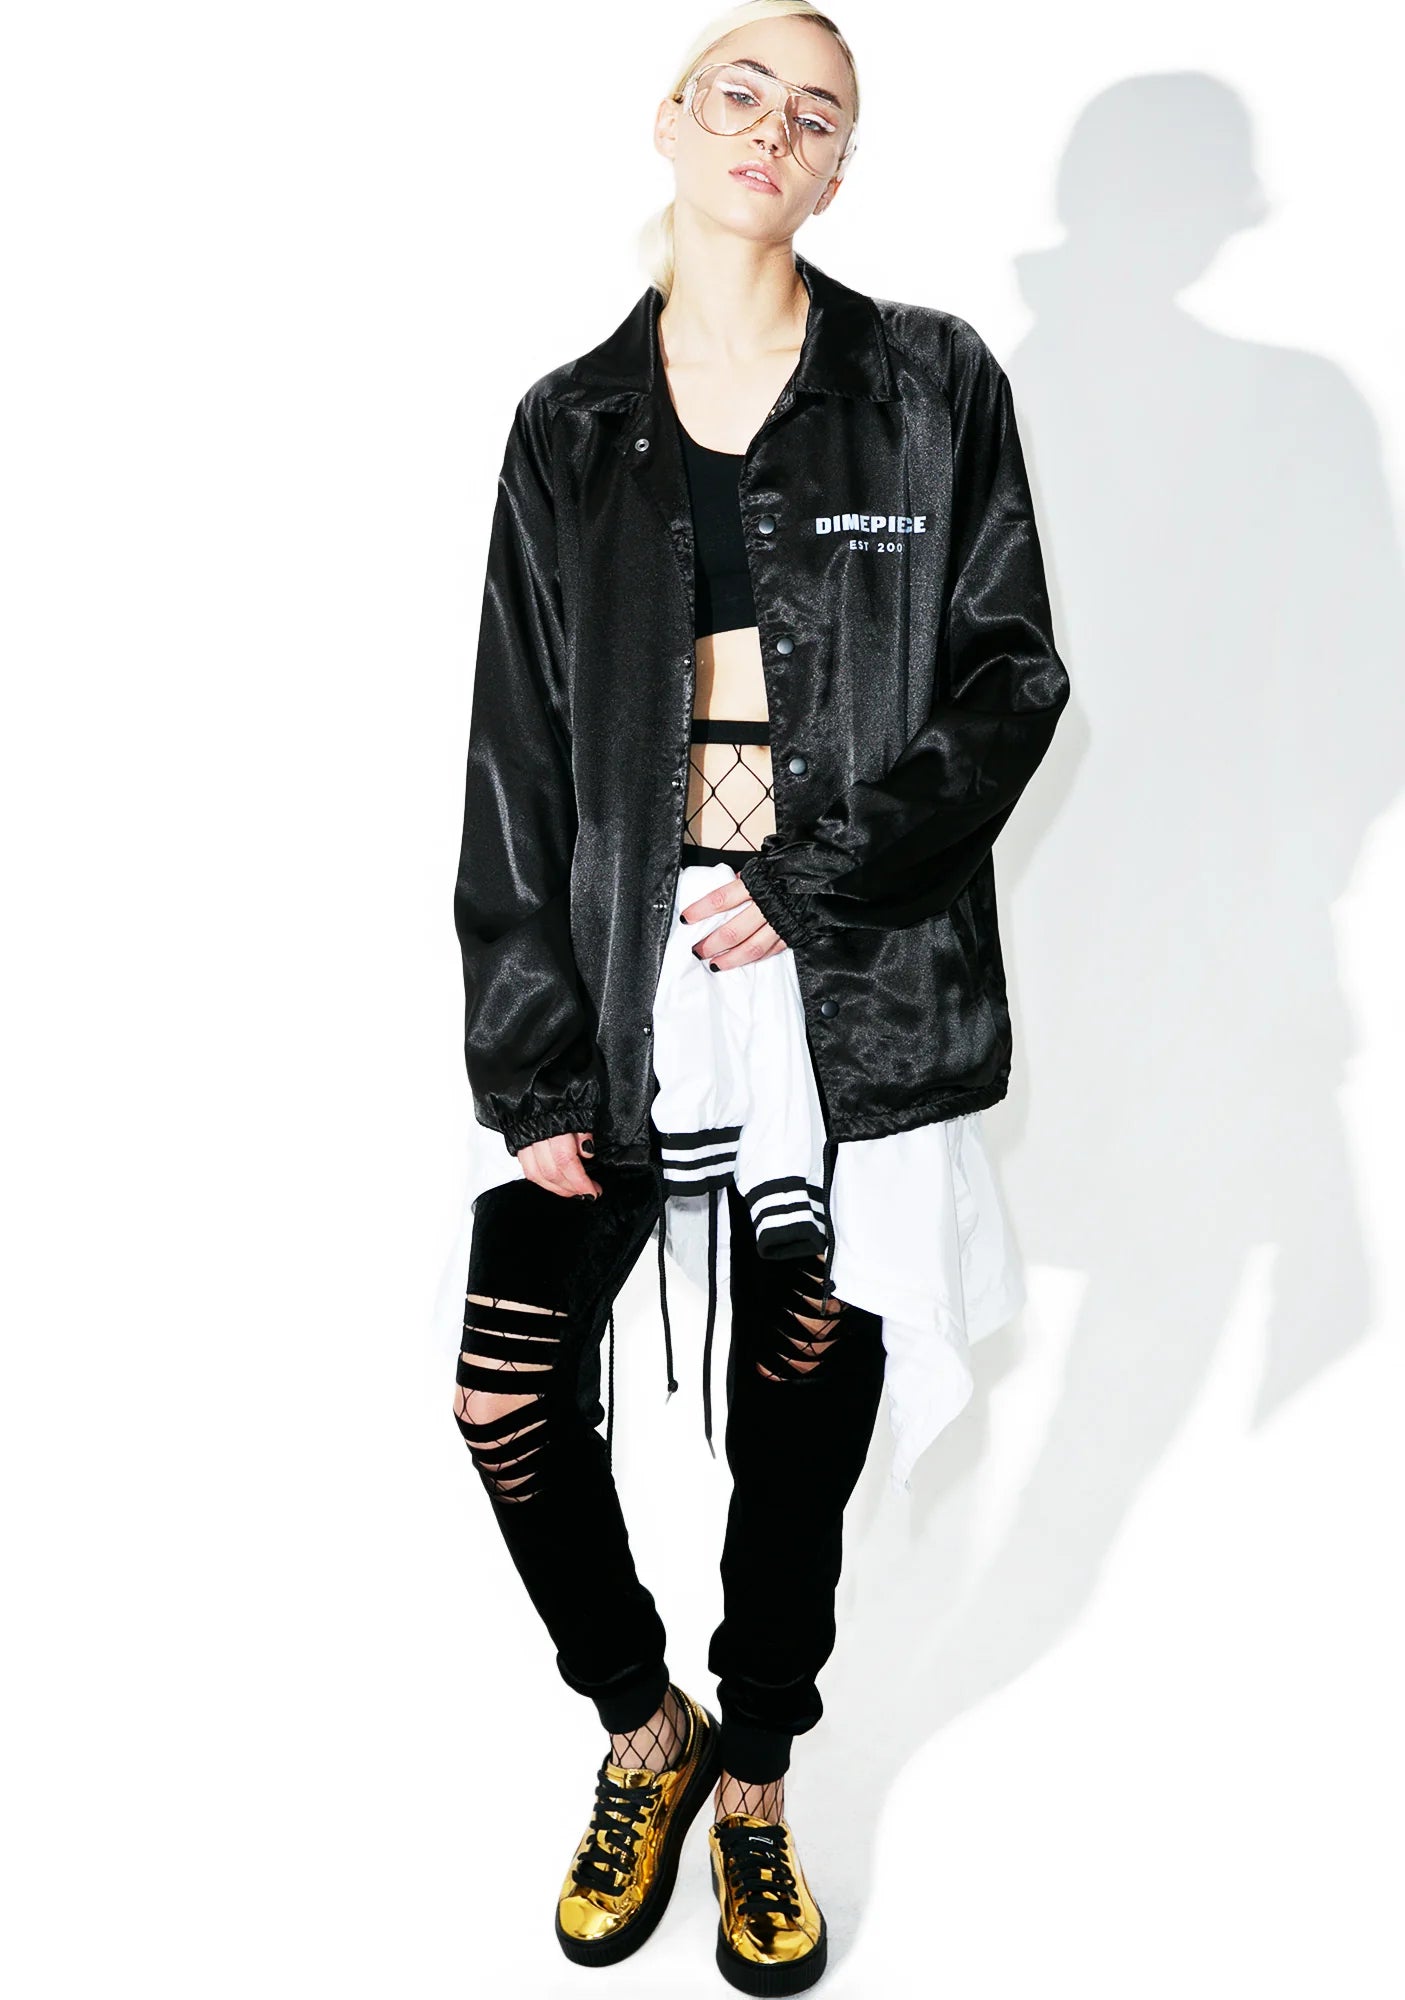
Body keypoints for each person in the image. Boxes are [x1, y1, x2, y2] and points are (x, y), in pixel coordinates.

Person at [449, 3, 1071, 1988]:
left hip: (848, 985)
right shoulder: (568, 425)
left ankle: (758, 1782)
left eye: (818, 114)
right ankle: (645, 1726)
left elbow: (1009, 680)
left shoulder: (927, 383)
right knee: (505, 1389)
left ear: (838, 169)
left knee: (798, 1425)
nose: (774, 130)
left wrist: (814, 883)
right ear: (670, 117)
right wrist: (532, 1050)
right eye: (744, 90)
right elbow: (518, 751)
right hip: (624, 980)